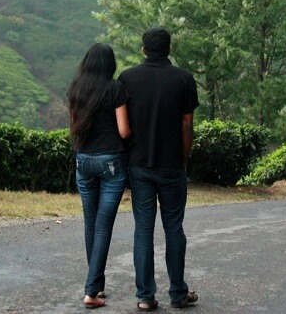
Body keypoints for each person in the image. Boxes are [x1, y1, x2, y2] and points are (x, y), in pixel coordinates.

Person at [119, 27, 200, 311]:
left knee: (143, 229)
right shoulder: (184, 79)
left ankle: (145, 296)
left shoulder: (127, 78)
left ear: (143, 49)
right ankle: (178, 293)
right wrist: (184, 157)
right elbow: (187, 125)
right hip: (172, 165)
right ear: (169, 49)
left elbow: (123, 126)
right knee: (174, 228)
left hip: (139, 165)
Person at [67, 43, 132, 309]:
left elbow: (74, 125)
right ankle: (91, 292)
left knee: (90, 223)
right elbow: (124, 130)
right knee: (103, 226)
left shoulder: (76, 89)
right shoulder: (115, 89)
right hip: (110, 162)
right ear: (110, 64)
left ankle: (98, 284)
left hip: (83, 160)